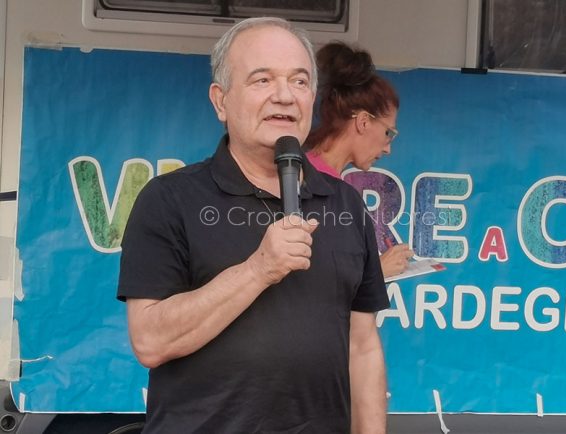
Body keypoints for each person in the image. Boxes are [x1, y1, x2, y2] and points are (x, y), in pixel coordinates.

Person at [118, 17, 389, 434]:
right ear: (220, 101)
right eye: (262, 80)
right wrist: (258, 269)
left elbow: (363, 345)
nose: (284, 96)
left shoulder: (346, 204)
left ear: (313, 98)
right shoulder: (169, 199)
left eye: (299, 82)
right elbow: (151, 341)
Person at [304, 42, 414, 278]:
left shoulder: (316, 177)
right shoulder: (307, 182)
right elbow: (307, 283)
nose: (388, 149)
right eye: (389, 133)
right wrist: (376, 272)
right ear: (363, 121)